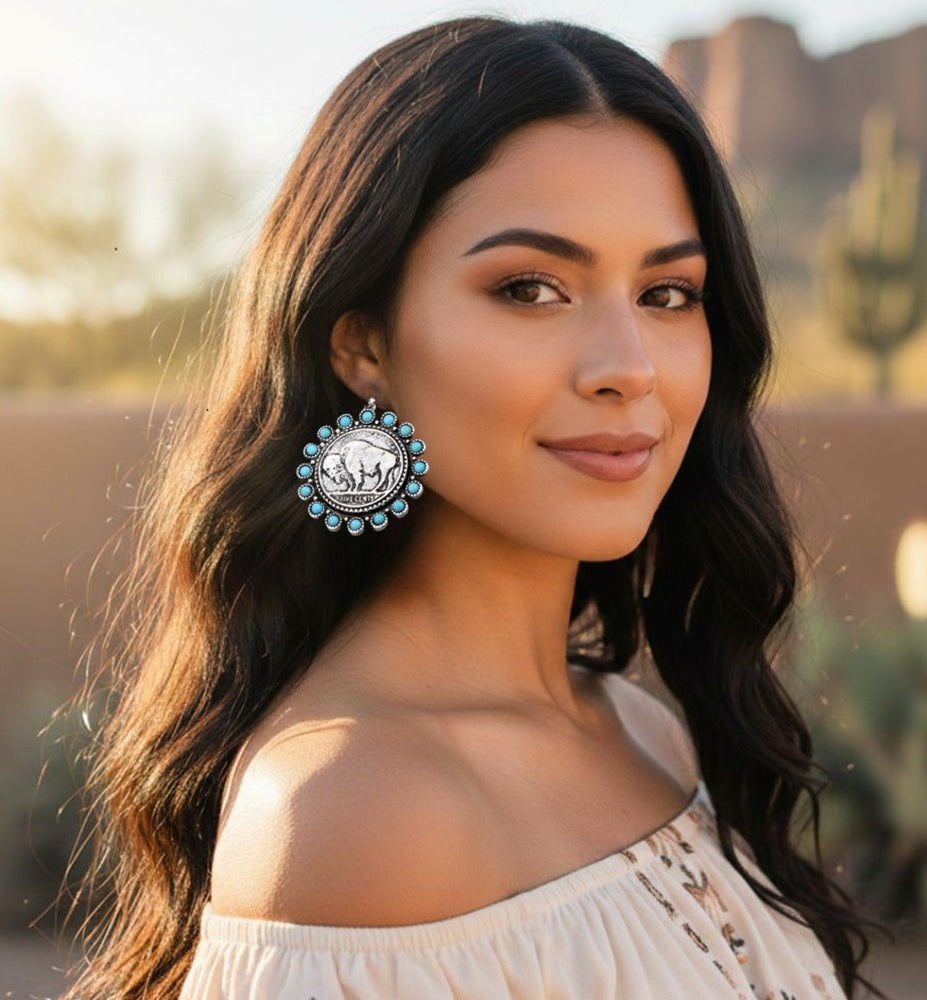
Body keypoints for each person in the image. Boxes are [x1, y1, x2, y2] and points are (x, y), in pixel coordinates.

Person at [61, 15, 890, 1000]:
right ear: (363, 342)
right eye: (531, 288)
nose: (630, 367)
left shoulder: (640, 730)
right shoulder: (360, 812)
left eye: (669, 293)